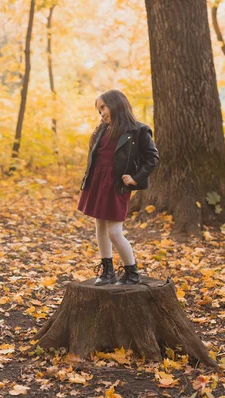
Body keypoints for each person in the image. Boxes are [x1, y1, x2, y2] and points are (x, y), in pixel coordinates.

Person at [78, 89, 159, 286]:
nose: (101, 113)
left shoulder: (138, 130)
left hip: (116, 184)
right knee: (100, 226)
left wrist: (135, 178)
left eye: (103, 107)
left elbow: (152, 158)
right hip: (98, 182)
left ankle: (132, 272)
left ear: (116, 104)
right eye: (99, 110)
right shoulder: (102, 130)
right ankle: (108, 271)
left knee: (114, 231)